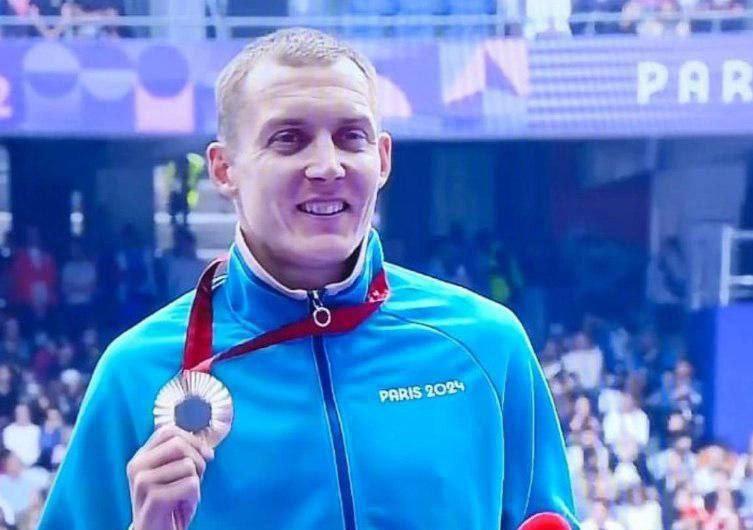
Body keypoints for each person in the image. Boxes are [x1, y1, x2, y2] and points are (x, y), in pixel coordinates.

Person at [38, 28, 578, 530]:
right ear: (224, 169)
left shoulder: (487, 345)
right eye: (289, 139)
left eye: (351, 137)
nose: (327, 165)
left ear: (382, 159)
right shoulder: (136, 371)